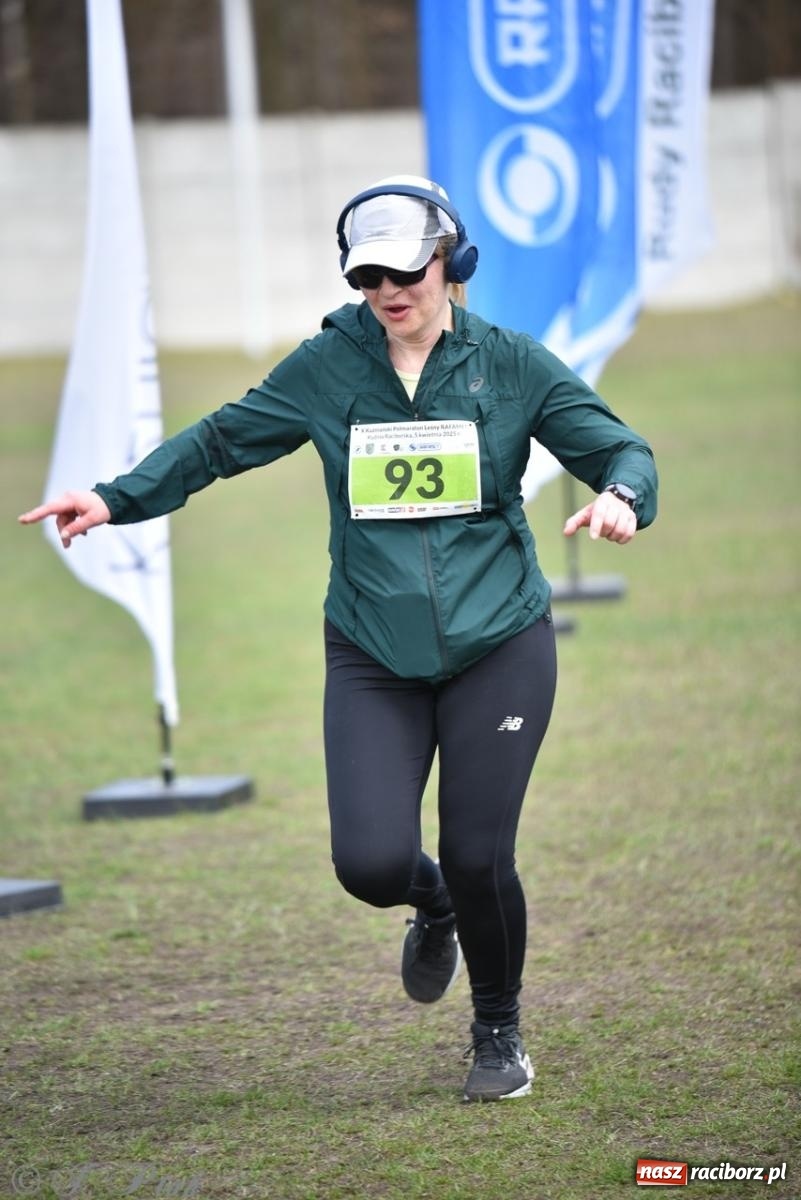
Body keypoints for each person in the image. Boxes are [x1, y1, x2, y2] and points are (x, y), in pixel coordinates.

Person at [19, 175, 657, 1103]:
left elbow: (619, 448)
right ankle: (431, 906)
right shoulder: (327, 366)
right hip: (371, 647)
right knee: (369, 864)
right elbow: (220, 441)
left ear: (450, 262)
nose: (388, 291)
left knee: (478, 852)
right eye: (367, 277)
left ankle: (498, 1030)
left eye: (405, 272)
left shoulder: (512, 364)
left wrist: (622, 496)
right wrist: (116, 498)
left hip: (499, 642)